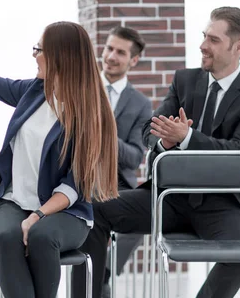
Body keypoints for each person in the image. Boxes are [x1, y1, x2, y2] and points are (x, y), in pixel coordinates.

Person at [72, 6, 240, 298]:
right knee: (91, 210)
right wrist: (164, 143)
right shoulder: (184, 81)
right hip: (169, 198)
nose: (202, 45)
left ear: (238, 47)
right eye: (204, 36)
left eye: (213, 40)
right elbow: (150, 131)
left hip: (224, 205)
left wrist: (187, 137)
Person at [0, 0, 119, 298]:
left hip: (66, 211)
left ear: (60, 57)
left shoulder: (88, 112)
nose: (34, 54)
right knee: (7, 236)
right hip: (15, 201)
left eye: (40, 49)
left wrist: (38, 216)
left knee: (40, 236)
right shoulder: (33, 92)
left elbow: (75, 185)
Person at [99, 26, 152, 297]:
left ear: (133, 60)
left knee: (141, 216)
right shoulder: (83, 87)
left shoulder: (141, 104)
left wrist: (104, 132)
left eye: (120, 52)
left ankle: (104, 271)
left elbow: (133, 156)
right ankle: (98, 275)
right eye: (109, 48)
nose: (111, 56)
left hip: (118, 181)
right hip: (76, 176)